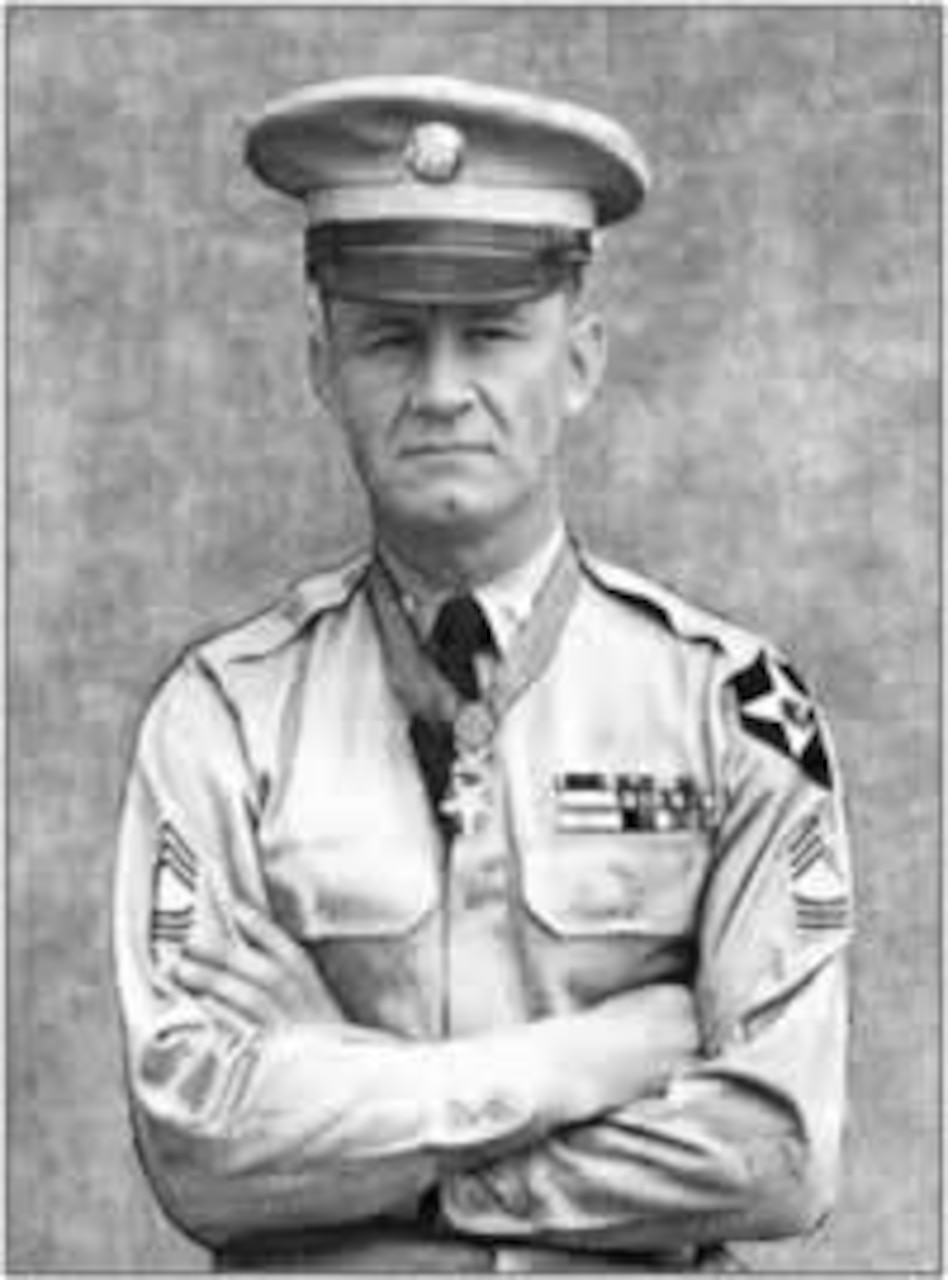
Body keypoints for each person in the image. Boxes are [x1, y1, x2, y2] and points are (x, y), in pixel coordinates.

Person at [113, 76, 853, 1273]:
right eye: (392, 337)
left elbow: (777, 1153)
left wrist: (368, 1127)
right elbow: (199, 1147)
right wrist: (594, 1058)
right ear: (323, 367)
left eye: (494, 332)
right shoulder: (223, 717)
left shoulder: (732, 709)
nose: (444, 389)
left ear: (580, 361)